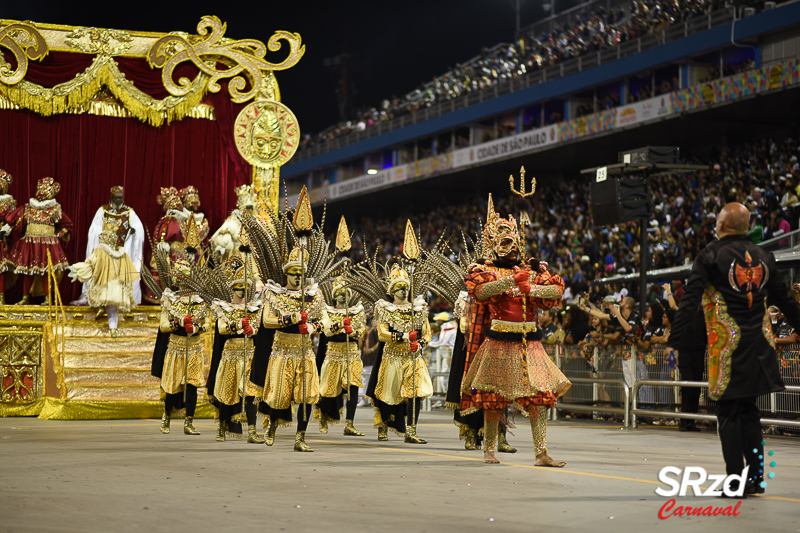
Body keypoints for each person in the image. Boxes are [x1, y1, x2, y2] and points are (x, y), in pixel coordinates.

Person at [668, 202, 800, 496]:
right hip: (761, 348)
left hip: (727, 348)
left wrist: (674, 341)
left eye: (717, 221)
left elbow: (690, 300)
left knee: (727, 413)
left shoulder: (710, 255)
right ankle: (755, 479)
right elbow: (786, 302)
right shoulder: (765, 256)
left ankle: (735, 482)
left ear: (723, 225)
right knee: (750, 411)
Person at [461, 200, 570, 464]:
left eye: (514, 243)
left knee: (540, 396)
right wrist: (509, 281)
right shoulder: (484, 270)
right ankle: (488, 449)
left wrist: (529, 288)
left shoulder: (532, 270)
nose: (512, 249)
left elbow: (556, 291)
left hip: (528, 343)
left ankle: (541, 453)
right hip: (498, 341)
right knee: (493, 399)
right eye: (506, 242)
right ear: (493, 244)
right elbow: (480, 292)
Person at [257, 245, 324, 452]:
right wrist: (291, 318)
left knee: (307, 395)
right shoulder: (275, 294)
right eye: (294, 273)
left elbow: (324, 320)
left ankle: (300, 437)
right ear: (286, 274)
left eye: (301, 274)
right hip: (282, 351)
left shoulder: (314, 295)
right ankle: (272, 428)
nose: (297, 277)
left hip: (305, 351)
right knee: (279, 394)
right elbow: (267, 321)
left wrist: (313, 326)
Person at [367, 264, 433, 444]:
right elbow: (382, 334)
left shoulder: (418, 308)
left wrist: (419, 344)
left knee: (415, 393)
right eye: (399, 288)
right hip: (392, 357)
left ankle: (411, 431)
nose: (404, 291)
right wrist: (403, 336)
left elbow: (427, 333)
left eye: (406, 287)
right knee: (388, 394)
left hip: (413, 357)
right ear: (392, 291)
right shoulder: (385, 309)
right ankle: (383, 425)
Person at [67, 187, 144, 335]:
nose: (118, 200)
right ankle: (107, 317)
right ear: (111, 197)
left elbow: (137, 229)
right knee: (100, 281)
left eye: (120, 197)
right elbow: (95, 229)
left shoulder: (129, 212)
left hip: (120, 252)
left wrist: (129, 232)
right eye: (116, 197)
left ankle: (111, 321)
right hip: (104, 255)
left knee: (113, 288)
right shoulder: (103, 210)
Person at [207, 263, 265, 443]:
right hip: (230, 355)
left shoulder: (256, 308)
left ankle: (253, 431)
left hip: (249, 355)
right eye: (239, 287)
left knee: (251, 393)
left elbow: (259, 330)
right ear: (233, 288)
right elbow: (222, 329)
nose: (242, 291)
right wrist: (238, 325)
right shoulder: (224, 308)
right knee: (228, 393)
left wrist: (253, 330)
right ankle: (222, 428)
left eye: (245, 288)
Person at [150, 260, 208, 436]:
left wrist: (196, 328)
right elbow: (163, 326)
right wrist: (180, 322)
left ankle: (189, 422)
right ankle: (167, 415)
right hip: (175, 346)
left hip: (195, 347)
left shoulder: (200, 300)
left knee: (192, 384)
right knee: (172, 385)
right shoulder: (170, 299)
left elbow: (207, 325)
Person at [1, 177, 73, 305]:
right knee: (28, 272)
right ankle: (25, 298)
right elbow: (13, 221)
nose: (40, 195)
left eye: (43, 193)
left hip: (48, 245)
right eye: (39, 192)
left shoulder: (55, 209)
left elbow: (67, 225)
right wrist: (5, 231)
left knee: (46, 272)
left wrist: (58, 235)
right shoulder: (28, 208)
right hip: (30, 243)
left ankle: (47, 298)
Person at [315, 276, 366, 436]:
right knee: (329, 390)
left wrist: (354, 331)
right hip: (333, 354)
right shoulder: (327, 312)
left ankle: (349, 424)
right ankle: (323, 417)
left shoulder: (357, 311)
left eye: (346, 292)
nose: (343, 295)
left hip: (352, 354)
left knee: (353, 387)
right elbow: (327, 331)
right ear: (334, 296)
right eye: (340, 292)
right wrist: (340, 327)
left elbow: (361, 330)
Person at [209, 184, 256, 264]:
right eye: (247, 209)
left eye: (251, 209)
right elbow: (219, 238)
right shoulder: (233, 221)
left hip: (251, 256)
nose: (249, 212)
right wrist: (227, 242)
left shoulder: (254, 223)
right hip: (235, 255)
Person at [0, 169, 17, 305]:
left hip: (1, 236)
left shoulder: (9, 202)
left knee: (0, 268)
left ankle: (0, 297)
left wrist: (4, 231)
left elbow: (13, 221)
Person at [179, 186, 210, 253]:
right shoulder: (181, 218)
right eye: (193, 203)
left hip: (199, 252)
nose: (195, 205)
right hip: (183, 251)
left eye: (197, 203)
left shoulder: (203, 220)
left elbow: (205, 241)